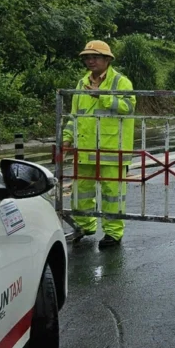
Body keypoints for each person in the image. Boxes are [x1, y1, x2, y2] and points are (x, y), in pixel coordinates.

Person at [61, 40, 135, 248]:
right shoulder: (81, 83)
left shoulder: (121, 82)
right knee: (81, 192)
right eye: (87, 57)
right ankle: (84, 226)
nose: (90, 61)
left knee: (112, 195)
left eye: (95, 57)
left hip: (112, 151)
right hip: (84, 150)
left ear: (107, 59)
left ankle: (113, 233)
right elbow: (75, 115)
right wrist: (67, 137)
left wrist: (101, 97)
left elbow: (127, 107)